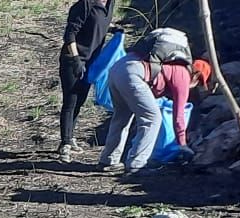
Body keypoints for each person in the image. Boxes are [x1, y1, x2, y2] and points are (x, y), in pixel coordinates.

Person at [58, 0, 114, 163]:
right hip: (73, 60)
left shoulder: (109, 4)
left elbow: (96, 26)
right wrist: (75, 59)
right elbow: (69, 35)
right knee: (71, 100)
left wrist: (113, 30)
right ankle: (65, 143)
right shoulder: (84, 5)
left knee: (80, 101)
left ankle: (70, 136)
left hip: (91, 61)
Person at [100, 43, 165, 175]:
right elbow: (179, 112)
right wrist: (182, 143)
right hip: (132, 74)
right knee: (152, 117)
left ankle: (108, 160)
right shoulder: (183, 74)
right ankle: (138, 163)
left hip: (118, 67)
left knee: (121, 116)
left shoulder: (153, 51)